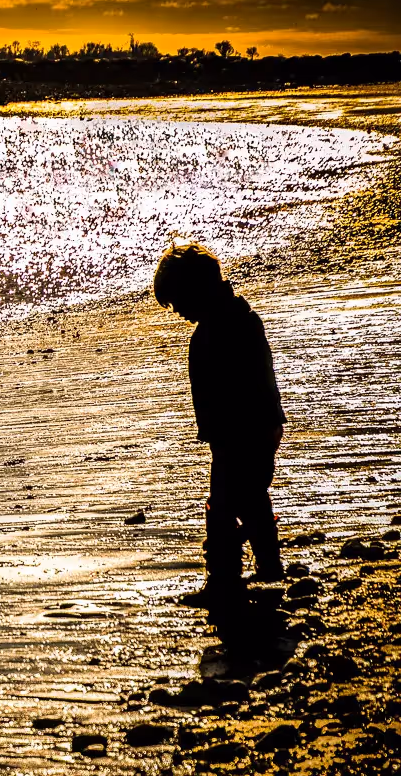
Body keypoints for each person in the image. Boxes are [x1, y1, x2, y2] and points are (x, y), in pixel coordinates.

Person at [153, 242, 286, 608]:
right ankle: (269, 568)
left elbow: (255, 383)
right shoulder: (233, 320)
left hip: (242, 431)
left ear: (196, 290)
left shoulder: (226, 327)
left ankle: (223, 578)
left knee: (226, 504)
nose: (177, 311)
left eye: (178, 302)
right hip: (247, 429)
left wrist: (258, 426)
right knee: (250, 498)